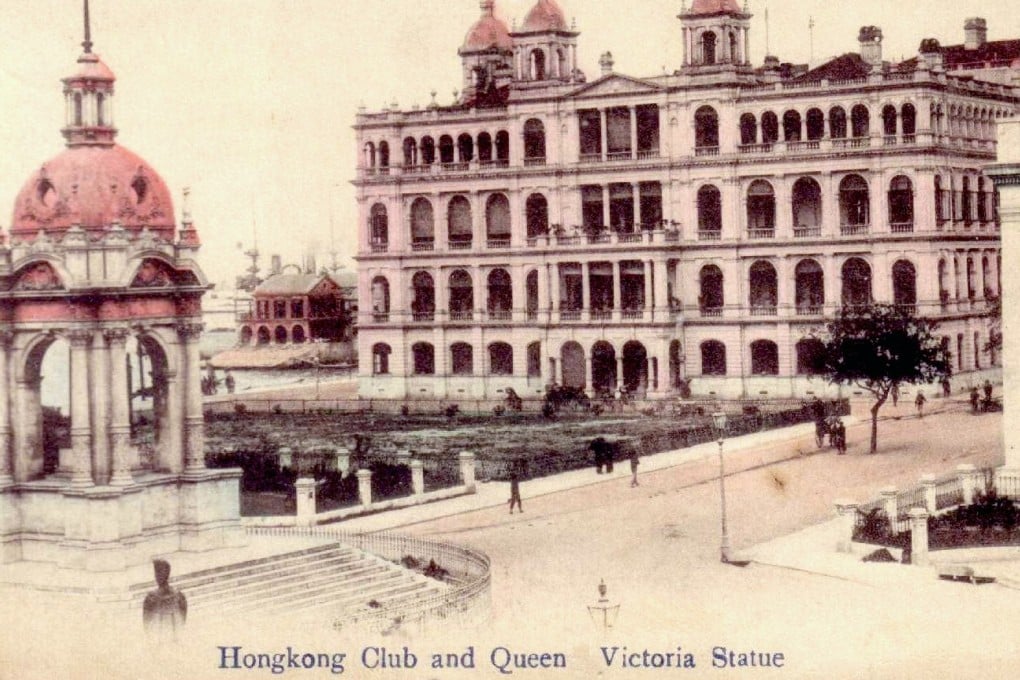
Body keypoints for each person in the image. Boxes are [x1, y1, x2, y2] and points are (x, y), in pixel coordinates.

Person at [143, 559, 188, 641]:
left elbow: (146, 624)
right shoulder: (180, 596)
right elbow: (183, 620)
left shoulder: (151, 598)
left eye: (157, 573)